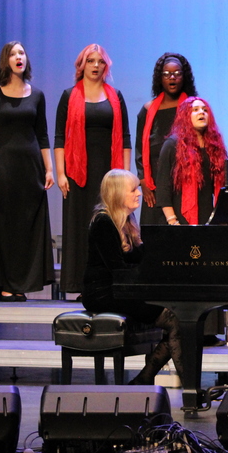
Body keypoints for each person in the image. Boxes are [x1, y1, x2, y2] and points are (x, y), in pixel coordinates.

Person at [84, 169, 188, 384]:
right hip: (104, 293)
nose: (139, 193)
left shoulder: (127, 221)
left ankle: (146, 378)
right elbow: (117, 268)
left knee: (179, 318)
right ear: (117, 194)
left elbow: (140, 258)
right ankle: (187, 387)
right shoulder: (103, 222)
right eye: (133, 190)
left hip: (121, 289)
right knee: (174, 319)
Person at [54, 44, 132, 295]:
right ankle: (78, 283)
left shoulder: (115, 96)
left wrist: (126, 178)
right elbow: (58, 138)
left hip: (110, 174)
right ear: (82, 65)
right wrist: (61, 173)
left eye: (100, 61)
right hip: (78, 174)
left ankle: (111, 281)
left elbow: (126, 139)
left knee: (110, 226)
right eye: (91, 61)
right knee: (80, 226)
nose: (96, 65)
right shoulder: (68, 96)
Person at [0, 41, 54, 302]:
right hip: (3, 167)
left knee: (27, 225)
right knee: (6, 225)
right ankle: (6, 284)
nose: (18, 57)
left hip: (31, 167)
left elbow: (42, 134)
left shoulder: (37, 95)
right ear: (6, 61)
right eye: (13, 54)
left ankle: (22, 283)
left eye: (22, 52)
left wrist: (49, 169)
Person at [136, 52, 196, 225]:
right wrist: (143, 180)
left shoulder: (193, 107)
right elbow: (140, 147)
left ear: (184, 77)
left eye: (177, 74)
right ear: (159, 78)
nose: (172, 78)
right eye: (167, 74)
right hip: (153, 183)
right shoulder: (147, 110)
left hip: (184, 180)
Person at [157, 97, 228, 226]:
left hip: (208, 218)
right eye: (195, 110)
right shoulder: (173, 144)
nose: (201, 112)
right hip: (179, 218)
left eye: (205, 110)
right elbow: (163, 186)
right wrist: (172, 220)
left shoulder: (215, 147)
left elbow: (222, 186)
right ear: (185, 116)